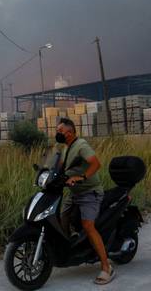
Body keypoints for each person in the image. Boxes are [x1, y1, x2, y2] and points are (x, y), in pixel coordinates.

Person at [55, 117, 115, 285]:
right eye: (57, 130)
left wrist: (81, 177)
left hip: (89, 192)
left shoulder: (81, 146)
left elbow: (96, 164)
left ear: (69, 132)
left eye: (59, 131)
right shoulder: (65, 147)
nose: (56, 133)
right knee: (62, 218)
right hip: (74, 193)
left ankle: (106, 267)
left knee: (88, 226)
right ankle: (70, 250)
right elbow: (59, 166)